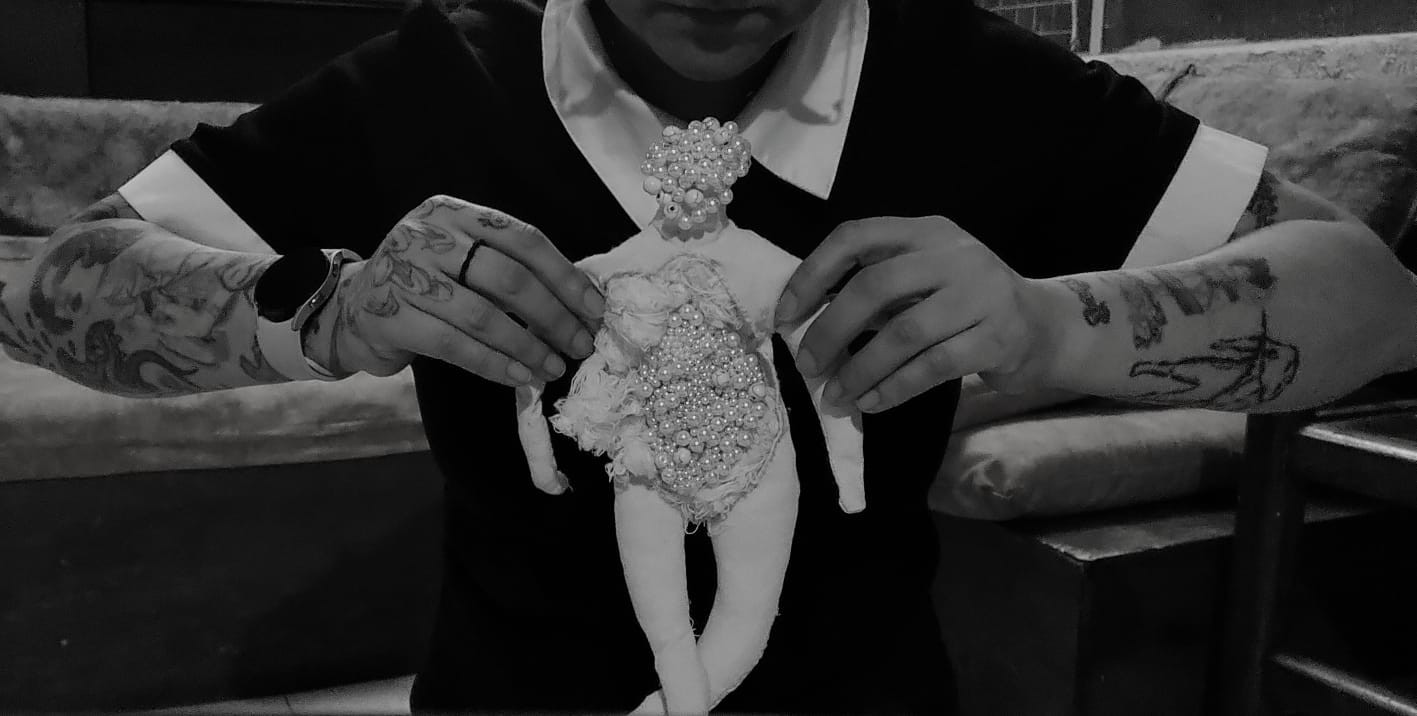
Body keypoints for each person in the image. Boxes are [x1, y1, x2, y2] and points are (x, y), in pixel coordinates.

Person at [3, 0, 1416, 712]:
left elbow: (1371, 295)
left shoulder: (973, 79)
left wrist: (1059, 324)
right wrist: (325, 307)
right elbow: (50, 286)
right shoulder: (433, 80)